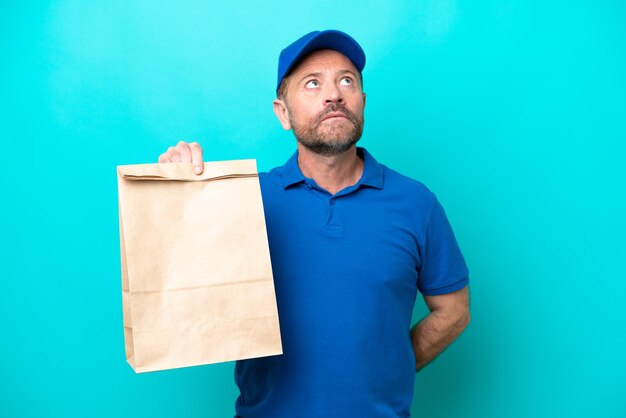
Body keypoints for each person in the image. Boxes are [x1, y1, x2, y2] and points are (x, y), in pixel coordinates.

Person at [158, 30, 470, 418]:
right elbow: (184, 296)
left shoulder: (416, 203)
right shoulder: (244, 200)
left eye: (346, 81)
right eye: (312, 83)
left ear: (362, 102)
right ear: (283, 113)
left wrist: (394, 367)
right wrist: (177, 192)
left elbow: (454, 310)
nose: (334, 94)